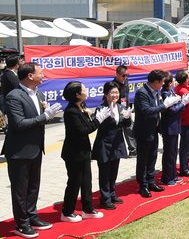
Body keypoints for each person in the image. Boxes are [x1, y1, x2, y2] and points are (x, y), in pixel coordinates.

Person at [1, 63, 62, 238]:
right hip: (19, 150)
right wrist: (44, 116)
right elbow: (19, 124)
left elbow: (40, 120)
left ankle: (32, 216)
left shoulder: (39, 93)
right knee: (20, 190)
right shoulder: (14, 96)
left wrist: (48, 115)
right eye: (40, 73)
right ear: (29, 76)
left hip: (36, 148)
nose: (43, 75)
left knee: (33, 187)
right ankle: (22, 224)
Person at [60, 81, 110, 223]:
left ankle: (87, 209)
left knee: (86, 181)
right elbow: (83, 130)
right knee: (74, 182)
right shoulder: (71, 111)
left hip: (83, 151)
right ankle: (67, 212)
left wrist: (92, 116)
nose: (86, 90)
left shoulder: (80, 106)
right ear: (77, 94)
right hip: (73, 153)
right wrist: (98, 120)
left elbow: (86, 125)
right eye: (84, 89)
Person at [133, 70, 182, 198]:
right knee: (143, 159)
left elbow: (157, 109)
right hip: (143, 131)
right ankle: (143, 185)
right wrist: (164, 106)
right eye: (161, 83)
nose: (162, 85)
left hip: (154, 130)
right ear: (155, 82)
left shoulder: (156, 92)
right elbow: (146, 111)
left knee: (152, 158)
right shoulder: (142, 93)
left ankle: (150, 181)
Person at [91, 81, 133, 210]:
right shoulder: (101, 108)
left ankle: (112, 194)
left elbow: (126, 125)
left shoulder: (120, 107)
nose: (115, 95)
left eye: (117, 92)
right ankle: (105, 199)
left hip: (117, 143)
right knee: (105, 173)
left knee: (114, 171)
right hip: (104, 144)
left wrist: (127, 117)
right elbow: (98, 125)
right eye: (112, 92)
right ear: (106, 94)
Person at [160, 72, 189, 185]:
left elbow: (178, 107)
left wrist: (182, 103)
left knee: (174, 152)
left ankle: (173, 174)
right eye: (172, 81)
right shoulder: (164, 93)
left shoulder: (171, 91)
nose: (174, 82)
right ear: (169, 83)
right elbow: (172, 110)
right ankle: (167, 177)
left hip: (175, 124)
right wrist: (183, 103)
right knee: (169, 153)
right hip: (169, 126)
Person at [112, 65, 136, 157]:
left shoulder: (126, 81)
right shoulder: (113, 85)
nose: (125, 77)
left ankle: (133, 150)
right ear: (117, 74)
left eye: (127, 75)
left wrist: (129, 108)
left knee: (129, 128)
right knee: (116, 131)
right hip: (116, 110)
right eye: (123, 75)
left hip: (125, 109)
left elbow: (126, 97)